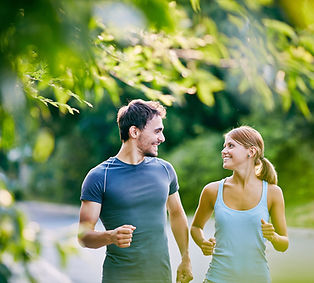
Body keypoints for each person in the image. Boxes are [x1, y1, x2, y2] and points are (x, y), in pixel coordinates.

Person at [78, 99, 193, 283]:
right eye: (157, 131)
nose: (162, 138)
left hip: (161, 277)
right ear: (134, 131)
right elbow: (83, 236)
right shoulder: (99, 176)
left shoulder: (165, 170)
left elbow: (177, 214)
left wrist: (186, 258)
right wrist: (111, 236)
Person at [190, 126, 289, 283]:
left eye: (231, 145)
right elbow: (196, 227)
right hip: (216, 279)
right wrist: (203, 242)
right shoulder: (212, 190)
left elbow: (283, 244)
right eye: (224, 146)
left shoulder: (273, 193)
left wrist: (273, 236)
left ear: (251, 151)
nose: (223, 151)